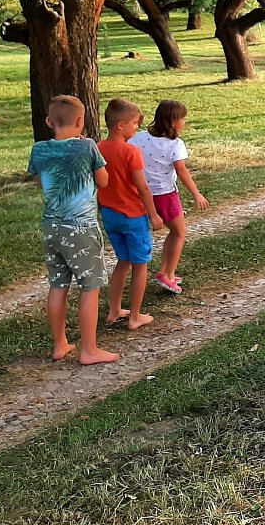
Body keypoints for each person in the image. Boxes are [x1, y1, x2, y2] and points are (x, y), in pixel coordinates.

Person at [27, 94, 119, 365]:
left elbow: (42, 182)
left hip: (51, 226)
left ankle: (60, 344)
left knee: (58, 284)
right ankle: (89, 349)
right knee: (90, 286)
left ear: (48, 121)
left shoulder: (39, 150)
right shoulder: (87, 147)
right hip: (80, 228)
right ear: (81, 121)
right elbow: (104, 181)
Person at [98, 98, 165, 330]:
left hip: (109, 214)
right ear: (121, 125)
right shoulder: (130, 151)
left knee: (123, 260)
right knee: (140, 264)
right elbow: (142, 187)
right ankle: (135, 316)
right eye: (135, 123)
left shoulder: (98, 148)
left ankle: (114, 309)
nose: (137, 127)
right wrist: (154, 215)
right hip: (133, 216)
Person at [131, 100, 208, 294]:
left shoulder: (139, 138)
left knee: (173, 232)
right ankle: (169, 275)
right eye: (183, 119)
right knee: (179, 233)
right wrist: (196, 193)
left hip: (143, 194)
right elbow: (181, 170)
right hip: (165, 195)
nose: (184, 123)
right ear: (174, 122)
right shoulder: (175, 144)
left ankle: (164, 271)